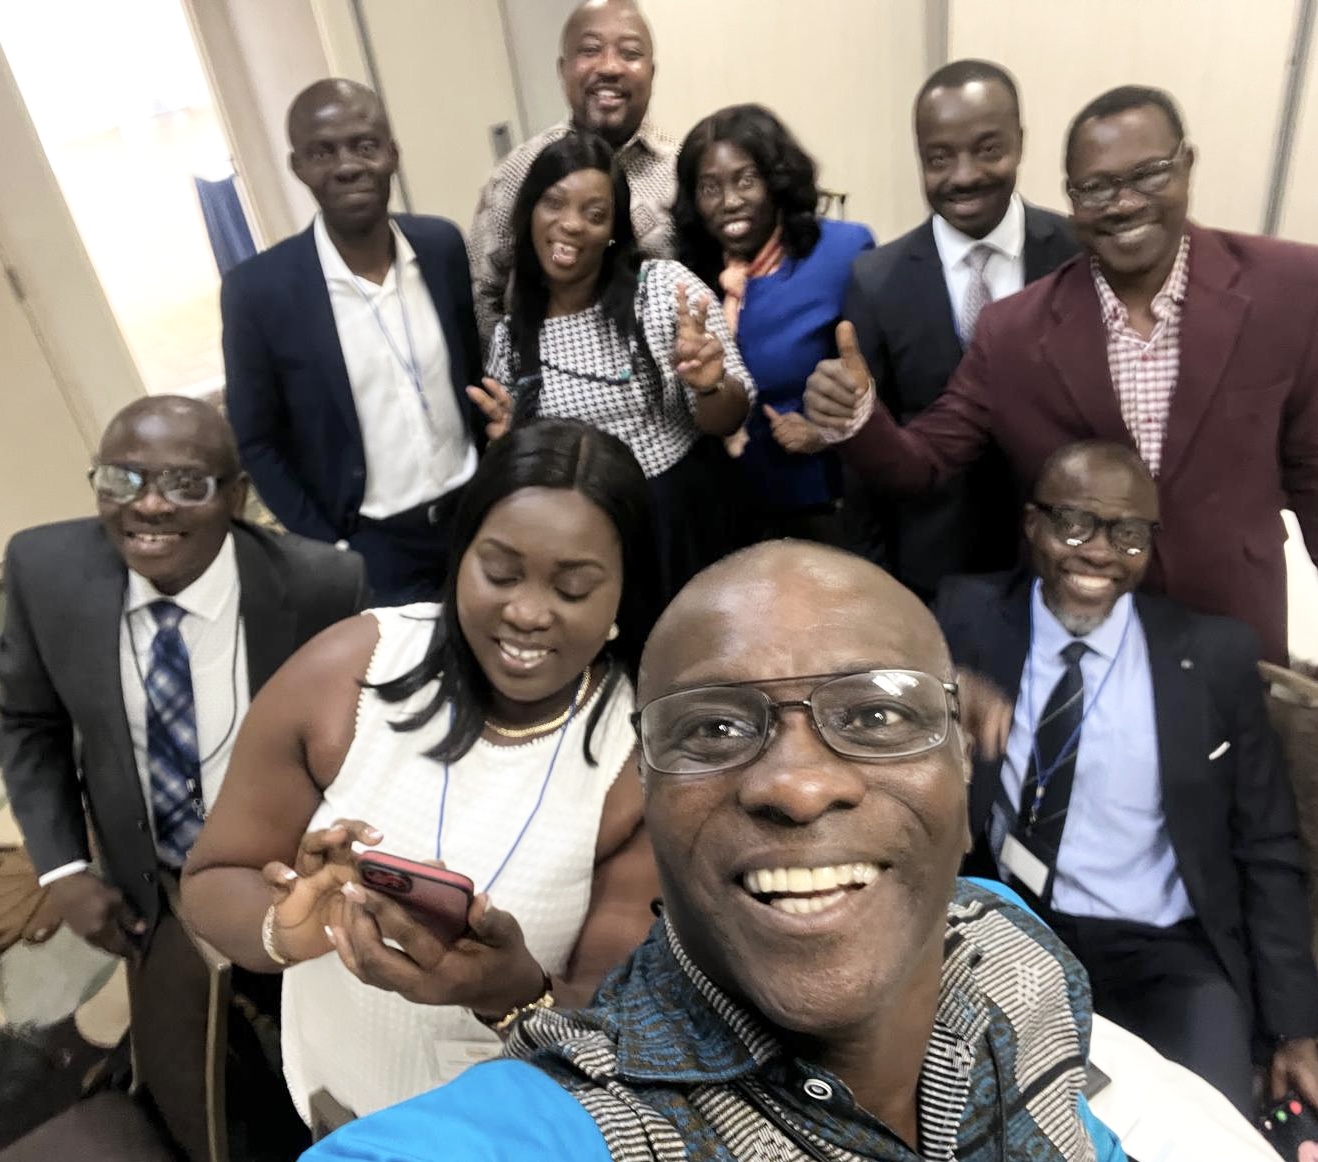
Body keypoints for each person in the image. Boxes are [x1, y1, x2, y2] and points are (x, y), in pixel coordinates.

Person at [303, 541, 1127, 1161]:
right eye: (715, 728)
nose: (799, 786)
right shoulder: (586, 1123)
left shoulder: (1006, 940)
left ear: (962, 759)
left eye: (875, 716)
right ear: (648, 795)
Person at [180, 418, 663, 1122]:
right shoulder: (350, 671)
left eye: (573, 588)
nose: (527, 612)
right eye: (500, 573)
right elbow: (212, 878)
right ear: (461, 555)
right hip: (338, 1113)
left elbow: (622, 1031)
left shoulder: (638, 758)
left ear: (622, 592)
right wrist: (284, 927)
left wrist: (513, 993)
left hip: (510, 1135)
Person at [805, 84, 1318, 663]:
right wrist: (858, 417)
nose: (1124, 203)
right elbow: (924, 463)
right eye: (1096, 188)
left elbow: (1312, 472)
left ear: (1186, 164)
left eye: (1149, 174)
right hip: (1077, 636)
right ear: (1072, 198)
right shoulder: (1012, 331)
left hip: (1232, 627)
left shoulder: (1290, 288)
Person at [936, 439, 1318, 1114]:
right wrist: (934, 691)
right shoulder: (966, 619)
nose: (1100, 552)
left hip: (1165, 954)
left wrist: (1295, 1028)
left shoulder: (1212, 655)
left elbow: (1268, 846)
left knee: (1208, 1130)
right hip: (1008, 929)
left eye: (1129, 534)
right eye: (1074, 523)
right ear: (1033, 524)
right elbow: (847, 661)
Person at [0, 395, 367, 955]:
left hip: (286, 876)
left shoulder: (322, 586)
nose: (149, 505)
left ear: (236, 496)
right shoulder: (45, 571)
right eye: (121, 480)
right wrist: (65, 870)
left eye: (185, 485)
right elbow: (28, 722)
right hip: (144, 885)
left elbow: (361, 743)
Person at [222, 78, 481, 605]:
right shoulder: (258, 292)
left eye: (365, 145)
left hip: (476, 510)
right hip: (370, 544)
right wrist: (329, 546)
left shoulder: (442, 247)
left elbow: (472, 371)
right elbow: (256, 440)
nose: (347, 166)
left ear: (392, 154)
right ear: (298, 166)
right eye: (322, 152)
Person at [468, 131, 753, 599]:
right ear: (530, 214)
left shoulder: (664, 291)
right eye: (553, 203)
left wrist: (710, 385)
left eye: (595, 214)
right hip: (580, 540)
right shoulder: (512, 339)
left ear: (613, 231)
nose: (571, 224)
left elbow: (730, 417)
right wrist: (509, 445)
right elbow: (521, 472)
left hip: (679, 523)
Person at [844, 60, 1079, 597]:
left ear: (1020, 142)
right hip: (932, 569)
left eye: (988, 149)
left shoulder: (1076, 254)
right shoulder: (875, 281)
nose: (965, 175)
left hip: (1061, 560)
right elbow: (865, 465)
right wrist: (873, 587)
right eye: (939, 158)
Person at [673, 103, 875, 544]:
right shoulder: (687, 277)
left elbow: (878, 379)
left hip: (822, 506)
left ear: (776, 180)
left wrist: (827, 433)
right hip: (725, 512)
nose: (730, 202)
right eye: (709, 188)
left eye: (746, 180)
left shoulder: (842, 251)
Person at [469, 0, 678, 346]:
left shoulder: (683, 172)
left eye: (630, 53)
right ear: (563, 69)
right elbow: (485, 295)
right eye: (590, 50)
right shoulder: (516, 173)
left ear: (651, 73)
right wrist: (516, 372)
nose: (609, 66)